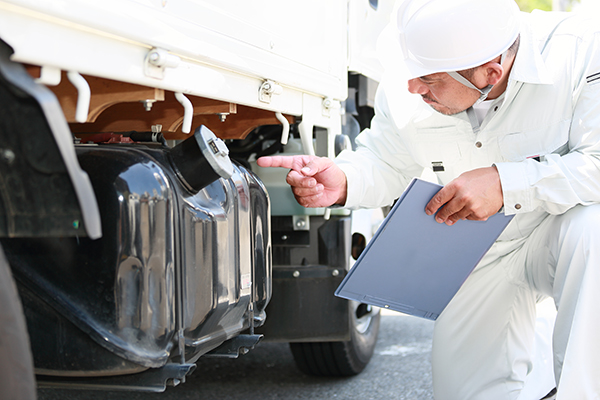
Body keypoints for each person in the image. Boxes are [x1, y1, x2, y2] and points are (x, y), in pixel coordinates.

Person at [257, 0, 600, 398]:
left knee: (593, 229)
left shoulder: (581, 52)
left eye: (430, 79)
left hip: (558, 233)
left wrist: (506, 184)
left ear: (492, 70)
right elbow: (384, 158)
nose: (412, 87)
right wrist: (344, 180)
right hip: (475, 255)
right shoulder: (412, 81)